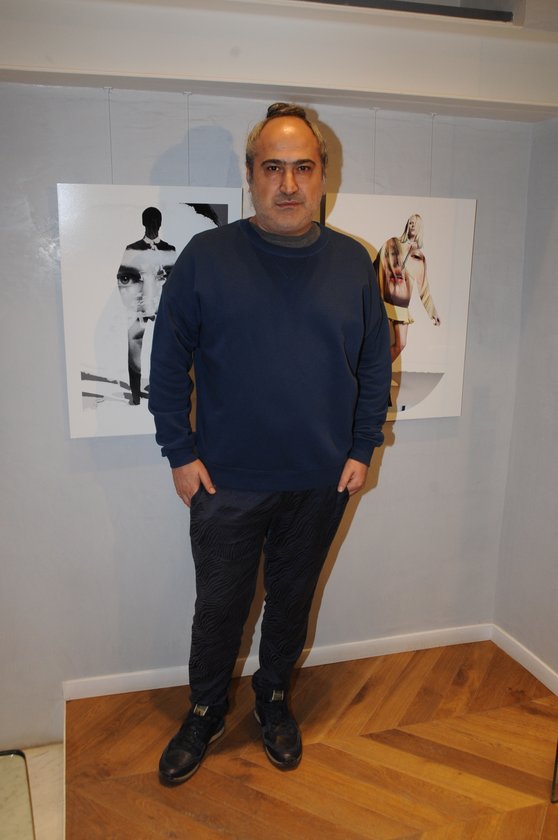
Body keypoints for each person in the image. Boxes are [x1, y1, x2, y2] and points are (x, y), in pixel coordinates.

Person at [148, 103, 391, 785]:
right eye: (273, 168)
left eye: (303, 168)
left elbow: (375, 363)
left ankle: (274, 698)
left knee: (291, 600)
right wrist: (180, 452)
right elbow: (167, 362)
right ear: (251, 175)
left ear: (322, 176)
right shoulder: (207, 258)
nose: (288, 183)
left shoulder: (352, 262)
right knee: (219, 607)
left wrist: (362, 447)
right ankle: (205, 710)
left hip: (321, 479)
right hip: (226, 480)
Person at [117, 207, 177, 404]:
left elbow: (177, 281)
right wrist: (135, 302)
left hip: (163, 308)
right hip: (138, 308)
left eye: (156, 221)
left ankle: (162, 393)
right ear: (143, 223)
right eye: (150, 221)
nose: (153, 226)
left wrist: (165, 299)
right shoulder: (132, 249)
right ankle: (136, 397)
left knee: (166, 351)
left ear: (160, 223)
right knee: (134, 347)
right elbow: (122, 277)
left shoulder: (169, 250)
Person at [377, 213, 440, 363]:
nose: (412, 225)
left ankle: (381, 370)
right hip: (384, 302)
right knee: (378, 343)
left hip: (401, 306)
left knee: (401, 344)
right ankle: (375, 371)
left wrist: (432, 312)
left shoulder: (419, 256)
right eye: (410, 222)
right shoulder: (392, 243)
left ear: (420, 228)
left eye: (416, 223)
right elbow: (378, 266)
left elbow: (424, 288)